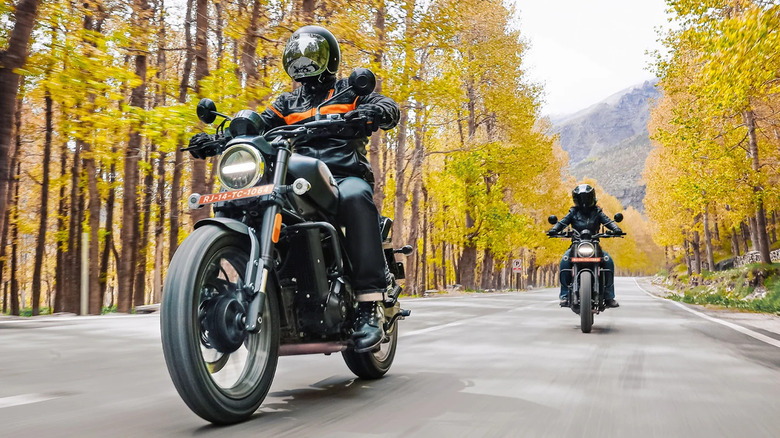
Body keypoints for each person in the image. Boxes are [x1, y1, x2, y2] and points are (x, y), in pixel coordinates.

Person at [187, 26, 400, 353]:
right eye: (297, 57)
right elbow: (258, 125)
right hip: (293, 178)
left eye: (311, 56)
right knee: (240, 202)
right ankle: (241, 289)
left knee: (358, 198)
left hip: (342, 175)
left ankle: (369, 304)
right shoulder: (287, 102)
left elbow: (388, 107)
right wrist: (220, 139)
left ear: (329, 58)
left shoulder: (349, 91)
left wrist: (375, 111)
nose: (303, 63)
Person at [547, 184, 622, 308]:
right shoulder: (573, 212)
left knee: (608, 262)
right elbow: (562, 222)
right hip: (576, 245)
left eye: (586, 198)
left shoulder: (597, 212)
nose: (584, 201)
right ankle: (565, 296)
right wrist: (554, 229)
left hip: (594, 245)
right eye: (581, 198)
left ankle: (609, 297)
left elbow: (608, 222)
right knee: (564, 261)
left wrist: (616, 229)